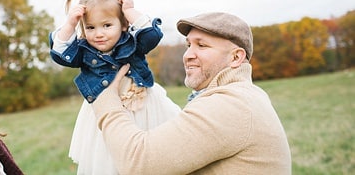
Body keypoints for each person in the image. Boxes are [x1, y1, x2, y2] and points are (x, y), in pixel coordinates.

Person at [93, 12, 291, 174]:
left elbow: (139, 161)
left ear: (236, 57)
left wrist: (108, 103)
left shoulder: (230, 104)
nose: (188, 55)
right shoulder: (244, 96)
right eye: (189, 45)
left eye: (202, 45)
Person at [49, 0, 180, 175]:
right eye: (90, 27)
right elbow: (60, 53)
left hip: (143, 107)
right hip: (106, 112)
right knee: (109, 159)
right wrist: (70, 24)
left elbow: (152, 35)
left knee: (149, 156)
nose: (99, 34)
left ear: (124, 24)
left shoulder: (132, 42)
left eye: (107, 25)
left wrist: (130, 11)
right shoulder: (84, 51)